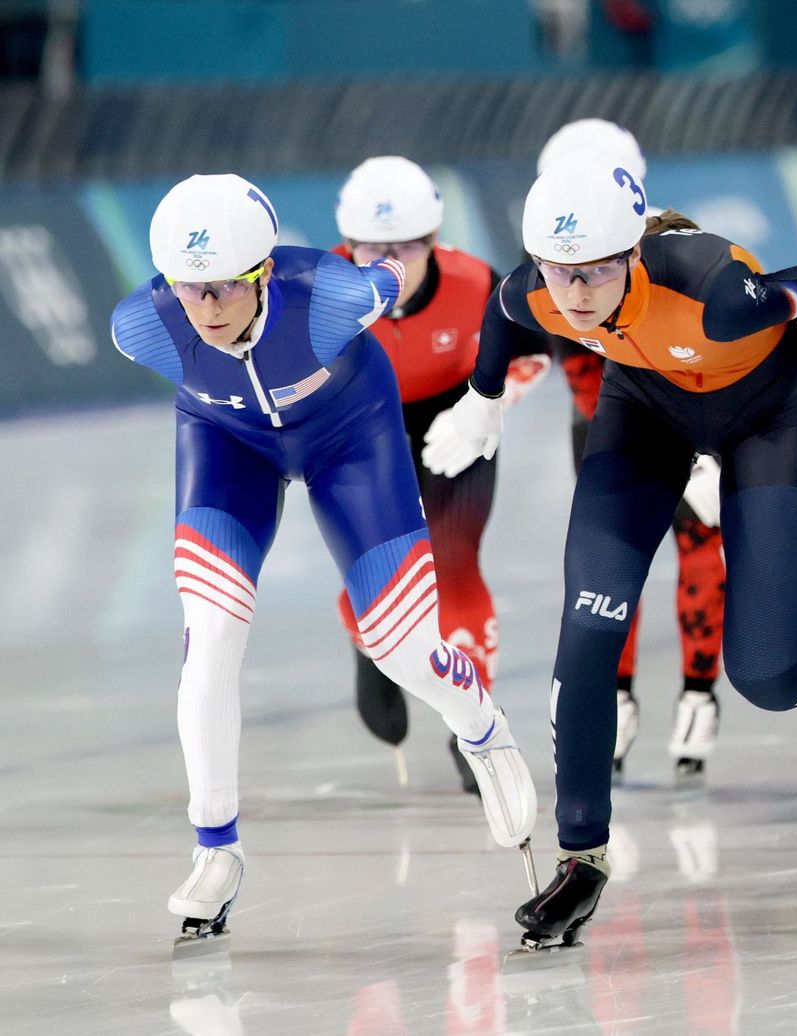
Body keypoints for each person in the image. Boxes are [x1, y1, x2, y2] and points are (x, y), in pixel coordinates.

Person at [440, 150, 797, 956]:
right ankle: (581, 857)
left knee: (761, 671)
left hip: (766, 418)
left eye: (596, 272)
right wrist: (482, 398)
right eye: (559, 273)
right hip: (647, 414)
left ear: (634, 253)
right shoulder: (541, 291)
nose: (574, 294)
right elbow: (502, 309)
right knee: (587, 630)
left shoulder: (713, 289)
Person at [110, 174, 537, 955]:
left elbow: (393, 274)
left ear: (265, 271)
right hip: (227, 444)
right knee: (209, 642)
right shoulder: (141, 324)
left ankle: (481, 728)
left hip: (351, 438)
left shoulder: (335, 297)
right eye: (189, 288)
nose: (206, 308)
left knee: (399, 646)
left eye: (224, 287)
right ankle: (215, 848)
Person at [329, 155, 552, 793]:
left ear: (432, 241)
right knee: (374, 570)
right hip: (360, 426)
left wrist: (486, 406)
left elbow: (534, 354)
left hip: (455, 418)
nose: (389, 266)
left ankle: (473, 726)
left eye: (404, 248)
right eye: (372, 250)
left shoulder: (474, 281)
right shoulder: (317, 288)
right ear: (347, 245)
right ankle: (366, 636)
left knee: (452, 560)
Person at [533, 120, 729, 784]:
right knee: (613, 561)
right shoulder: (556, 258)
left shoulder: (671, 250)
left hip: (680, 414)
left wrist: (704, 445)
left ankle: (697, 693)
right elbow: (580, 373)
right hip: (612, 423)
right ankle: (621, 694)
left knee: (693, 543)